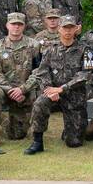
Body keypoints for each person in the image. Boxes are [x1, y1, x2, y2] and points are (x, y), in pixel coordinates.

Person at [24, 15, 89, 153]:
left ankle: (70, 129)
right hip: (53, 93)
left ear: (76, 29)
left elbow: (85, 75)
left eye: (71, 27)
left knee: (74, 142)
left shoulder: (85, 50)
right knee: (39, 103)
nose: (68, 31)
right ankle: (37, 142)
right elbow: (42, 72)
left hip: (74, 96)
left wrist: (61, 89)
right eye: (65, 27)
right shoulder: (50, 50)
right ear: (59, 29)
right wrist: (49, 90)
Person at [0, 12, 40, 147]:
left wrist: (23, 89)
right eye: (13, 24)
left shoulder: (34, 46)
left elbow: (39, 70)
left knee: (17, 135)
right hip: (4, 90)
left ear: (24, 26)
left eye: (19, 24)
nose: (16, 27)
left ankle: (15, 123)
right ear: (7, 25)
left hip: (25, 91)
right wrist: (10, 90)